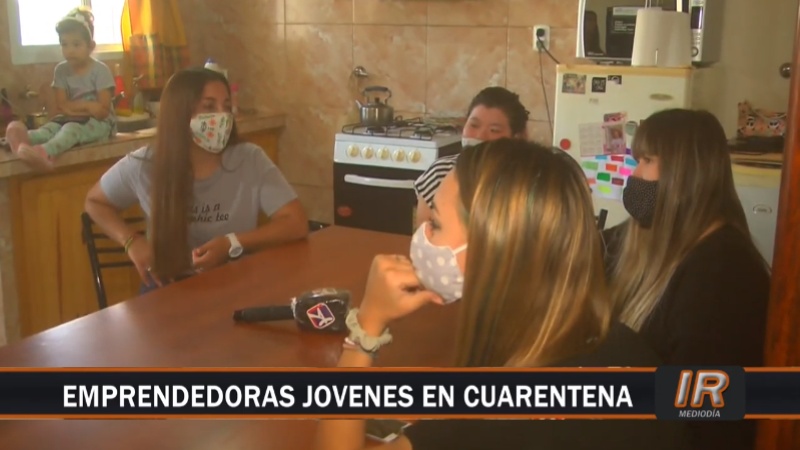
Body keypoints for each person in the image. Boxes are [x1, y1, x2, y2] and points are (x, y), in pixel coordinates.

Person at [316, 139, 690, 450]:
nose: (421, 234)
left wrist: (366, 327)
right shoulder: (624, 345)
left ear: (494, 249)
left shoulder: (493, 419)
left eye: (435, 223)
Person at [603, 109, 770, 450]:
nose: (635, 174)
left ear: (684, 174)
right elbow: (587, 252)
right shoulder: (646, 238)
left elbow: (704, 419)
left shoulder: (724, 275)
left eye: (648, 160)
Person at [84, 68, 308, 292]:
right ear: (179, 113)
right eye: (209, 107)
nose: (222, 116)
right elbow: (94, 202)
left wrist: (232, 243)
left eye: (226, 107)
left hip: (234, 280)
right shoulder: (144, 164)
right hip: (167, 286)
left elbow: (295, 222)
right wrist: (131, 241)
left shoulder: (250, 158)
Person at [6, 7, 116, 172]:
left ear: (90, 46)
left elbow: (102, 112)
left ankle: (44, 153)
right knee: (50, 128)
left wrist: (74, 108)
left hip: (101, 125)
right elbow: (62, 106)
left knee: (70, 129)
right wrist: (88, 106)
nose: (69, 50)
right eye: (64, 44)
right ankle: (20, 141)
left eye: (76, 44)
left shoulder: (101, 71)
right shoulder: (61, 70)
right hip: (71, 118)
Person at [413, 87, 529, 228]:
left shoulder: (524, 184)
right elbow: (423, 234)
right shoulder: (440, 173)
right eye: (474, 125)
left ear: (515, 139)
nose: (480, 136)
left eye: (494, 130)